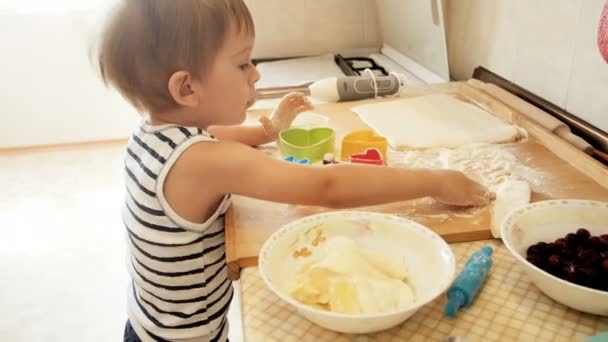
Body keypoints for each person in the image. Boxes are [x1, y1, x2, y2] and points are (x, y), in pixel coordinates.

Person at [96, 1, 492, 340]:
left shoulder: (157, 134)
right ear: (185, 89)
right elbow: (327, 185)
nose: (256, 74)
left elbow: (222, 134)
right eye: (242, 64)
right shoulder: (202, 161)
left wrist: (270, 128)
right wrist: (436, 180)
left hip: (146, 321)